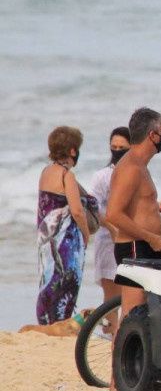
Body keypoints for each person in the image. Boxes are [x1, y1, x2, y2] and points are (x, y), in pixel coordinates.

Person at [107, 108, 161, 318]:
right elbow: (113, 214)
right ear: (153, 135)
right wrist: (151, 237)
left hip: (146, 245)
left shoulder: (140, 165)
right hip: (135, 247)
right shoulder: (131, 167)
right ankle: (120, 351)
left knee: (144, 315)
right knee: (132, 317)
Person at [35, 126, 98, 324]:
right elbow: (77, 210)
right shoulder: (66, 176)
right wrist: (86, 235)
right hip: (65, 240)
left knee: (49, 281)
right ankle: (61, 324)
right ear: (72, 151)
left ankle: (47, 324)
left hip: (46, 239)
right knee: (66, 283)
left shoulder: (46, 172)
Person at [88, 126, 131, 322]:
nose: (117, 151)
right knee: (111, 297)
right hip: (107, 241)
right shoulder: (102, 176)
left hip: (131, 240)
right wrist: (111, 227)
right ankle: (112, 336)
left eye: (122, 147)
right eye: (114, 147)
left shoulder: (137, 174)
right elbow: (92, 206)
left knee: (131, 295)